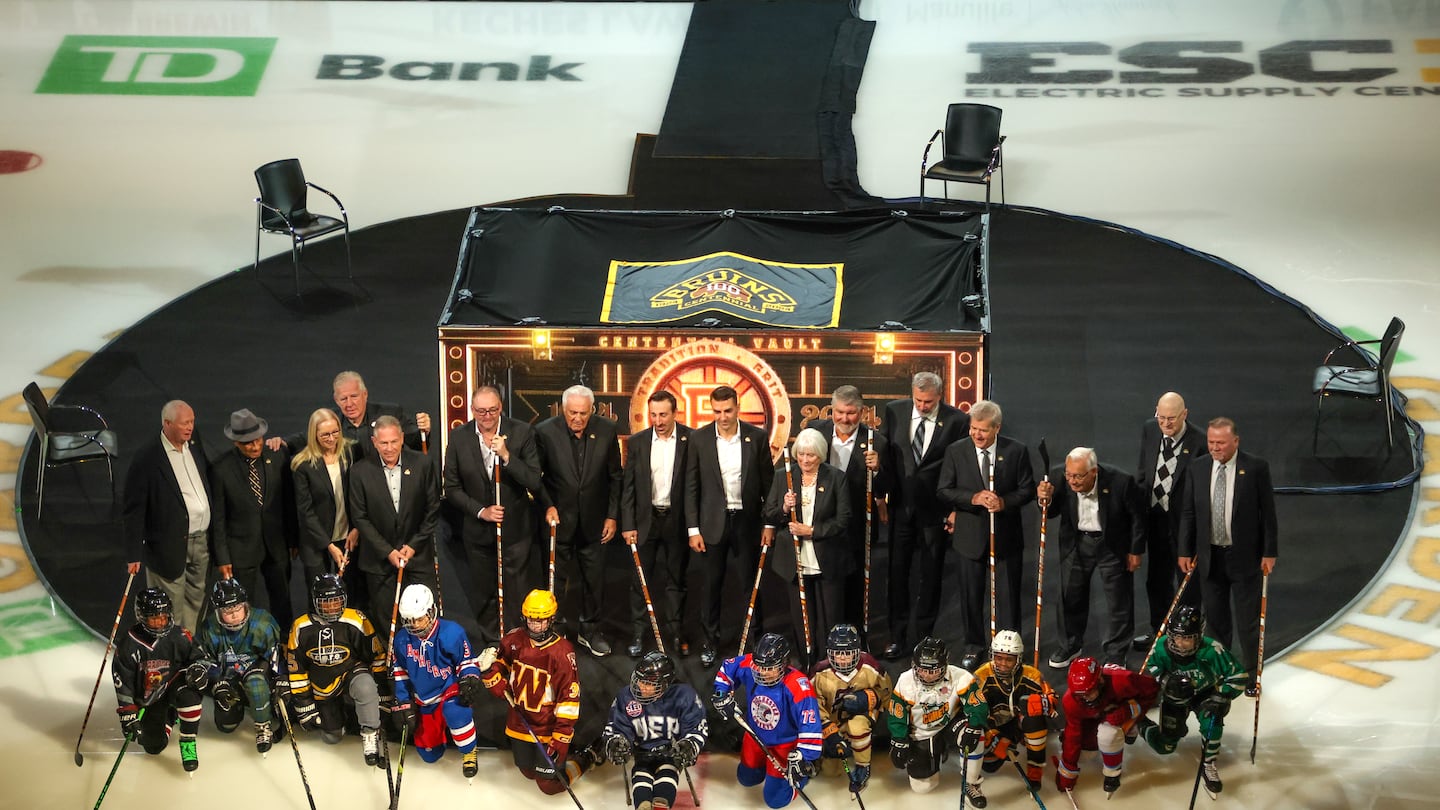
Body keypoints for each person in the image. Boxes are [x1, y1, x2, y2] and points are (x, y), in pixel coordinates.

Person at [1177, 417, 1278, 696]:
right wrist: (1185, 550)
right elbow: (1188, 512)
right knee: (1216, 622)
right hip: (1210, 557)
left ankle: (1250, 675)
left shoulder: (1256, 467)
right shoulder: (1197, 467)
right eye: (1211, 442)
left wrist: (1270, 551)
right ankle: (1220, 672)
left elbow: (1268, 514)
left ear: (1235, 441)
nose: (1215, 448)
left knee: (1248, 621)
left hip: (1245, 557)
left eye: (1220, 442)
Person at [936, 399, 1036, 670]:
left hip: (1006, 538)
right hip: (969, 538)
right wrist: (974, 497)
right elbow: (944, 490)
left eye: (983, 430)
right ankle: (973, 645)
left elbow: (1027, 490)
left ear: (997, 428)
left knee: (1008, 596)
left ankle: (1009, 647)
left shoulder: (1016, 451)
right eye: (973, 429)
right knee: (970, 595)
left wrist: (1003, 502)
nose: (976, 435)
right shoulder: (957, 451)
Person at [443, 385, 543, 643]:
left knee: (516, 591)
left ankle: (516, 641)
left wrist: (507, 456)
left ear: (501, 408)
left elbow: (533, 480)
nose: (487, 417)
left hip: (515, 531)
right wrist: (480, 511)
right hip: (477, 532)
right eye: (481, 411)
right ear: (472, 410)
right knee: (485, 592)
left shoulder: (522, 432)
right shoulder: (459, 437)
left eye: (492, 410)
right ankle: (492, 643)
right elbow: (452, 488)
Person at [881, 372, 968, 660]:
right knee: (897, 574)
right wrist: (881, 496)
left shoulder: (957, 421)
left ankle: (923, 640)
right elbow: (888, 458)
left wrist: (955, 508)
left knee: (930, 577)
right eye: (918, 400)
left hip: (935, 510)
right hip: (901, 509)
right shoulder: (895, 411)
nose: (922, 406)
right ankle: (897, 636)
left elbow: (959, 465)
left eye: (928, 401)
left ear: (940, 396)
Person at [534, 384, 624, 656]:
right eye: (573, 412)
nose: (578, 418)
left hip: (596, 522)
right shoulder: (545, 432)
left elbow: (615, 477)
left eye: (584, 413)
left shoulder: (607, 430)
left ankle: (590, 630)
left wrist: (611, 515)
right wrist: (548, 505)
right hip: (558, 522)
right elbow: (536, 478)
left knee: (595, 581)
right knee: (555, 579)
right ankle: (556, 629)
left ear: (592, 410)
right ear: (563, 410)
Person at [688, 384, 775, 666]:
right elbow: (691, 488)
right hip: (712, 524)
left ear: (737, 407)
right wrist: (693, 529)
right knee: (711, 587)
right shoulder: (699, 439)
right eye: (716, 411)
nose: (722, 416)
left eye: (727, 410)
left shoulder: (757, 437)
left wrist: (769, 523)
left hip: (747, 523)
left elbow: (769, 485)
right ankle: (710, 643)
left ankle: (757, 642)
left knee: (752, 584)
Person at [1037, 447, 1146, 668]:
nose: (1072, 481)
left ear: (1094, 471)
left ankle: (1116, 652)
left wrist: (1135, 550)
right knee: (1070, 595)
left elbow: (1138, 516)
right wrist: (1043, 499)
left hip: (1111, 544)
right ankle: (1070, 645)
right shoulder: (1058, 477)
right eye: (1069, 475)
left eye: (1078, 476)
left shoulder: (1121, 481)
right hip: (1077, 542)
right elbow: (1051, 511)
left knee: (1118, 600)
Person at [479, 589, 597, 794]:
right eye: (531, 619)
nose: (534, 625)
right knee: (527, 771)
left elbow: (569, 698)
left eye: (540, 620)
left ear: (551, 619)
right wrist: (492, 675)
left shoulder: (562, 652)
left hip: (547, 728)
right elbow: (501, 664)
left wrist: (561, 735)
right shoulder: (514, 638)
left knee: (549, 785)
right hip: (519, 722)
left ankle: (588, 757)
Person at [1137, 605, 1247, 798]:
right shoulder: (1161, 647)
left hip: (1204, 694)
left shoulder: (1213, 650)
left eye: (1187, 638)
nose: (1180, 643)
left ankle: (1208, 763)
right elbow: (1152, 665)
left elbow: (1239, 675)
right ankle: (1141, 724)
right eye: (1177, 637)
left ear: (1198, 636)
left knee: (1213, 724)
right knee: (1165, 747)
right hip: (1175, 697)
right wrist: (1165, 680)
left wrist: (1223, 695)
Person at [805, 385, 888, 636]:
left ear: (862, 412)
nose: (844, 418)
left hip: (855, 528)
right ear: (832, 410)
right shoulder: (814, 432)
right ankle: (821, 641)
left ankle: (853, 643)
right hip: (819, 525)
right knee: (820, 589)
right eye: (839, 412)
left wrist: (878, 470)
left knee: (854, 589)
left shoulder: (876, 441)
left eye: (851, 413)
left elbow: (886, 488)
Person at [763, 428, 852, 661]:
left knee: (830, 617)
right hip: (794, 561)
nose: (804, 460)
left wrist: (811, 531)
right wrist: (784, 507)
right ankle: (806, 663)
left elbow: (843, 519)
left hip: (827, 559)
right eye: (800, 454)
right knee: (802, 618)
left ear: (820, 455)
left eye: (810, 455)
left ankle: (829, 663)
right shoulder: (784, 476)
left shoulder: (836, 478)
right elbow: (769, 514)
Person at [123, 399, 212, 633]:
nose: (190, 427)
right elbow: (134, 508)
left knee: (196, 598)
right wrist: (133, 552)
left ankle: (188, 646)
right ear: (167, 423)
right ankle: (172, 651)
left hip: (200, 540)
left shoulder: (193, 443)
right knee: (171, 605)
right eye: (185, 423)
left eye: (192, 421)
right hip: (167, 545)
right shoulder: (148, 458)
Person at [620, 391, 696, 657]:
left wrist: (693, 527)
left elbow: (695, 486)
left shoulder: (691, 439)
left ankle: (677, 636)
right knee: (640, 582)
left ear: (675, 413)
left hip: (677, 521)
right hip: (645, 521)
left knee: (677, 581)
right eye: (653, 414)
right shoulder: (638, 441)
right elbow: (627, 486)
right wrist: (628, 524)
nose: (658, 420)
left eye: (663, 414)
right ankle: (639, 636)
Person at [350, 414, 441, 634]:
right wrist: (388, 551)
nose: (389, 448)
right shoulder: (359, 471)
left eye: (393, 441)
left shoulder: (423, 463)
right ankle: (396, 664)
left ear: (401, 438)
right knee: (386, 620)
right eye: (383, 443)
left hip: (417, 557)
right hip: (379, 563)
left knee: (424, 617)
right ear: (374, 442)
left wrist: (414, 545)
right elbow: (360, 517)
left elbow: (433, 509)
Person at [285, 573, 388, 767]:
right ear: (315, 602)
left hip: (350, 672)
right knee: (332, 737)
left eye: (336, 601)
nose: (332, 607)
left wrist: (382, 691)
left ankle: (370, 733)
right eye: (326, 603)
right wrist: (304, 702)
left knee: (366, 687)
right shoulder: (300, 626)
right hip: (321, 682)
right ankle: (342, 714)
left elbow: (376, 655)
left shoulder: (356, 619)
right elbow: (296, 669)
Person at [712, 633, 823, 809]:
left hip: (785, 745)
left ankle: (804, 775)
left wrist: (803, 756)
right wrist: (721, 693)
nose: (762, 672)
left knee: (775, 800)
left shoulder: (798, 685)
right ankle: (766, 769)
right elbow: (728, 668)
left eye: (770, 668)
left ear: (784, 664)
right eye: (759, 667)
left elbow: (810, 724)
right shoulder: (755, 663)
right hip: (755, 736)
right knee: (746, 778)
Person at [209, 408, 297, 630]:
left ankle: (285, 645)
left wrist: (293, 539)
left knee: (282, 600)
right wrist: (222, 557)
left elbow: (288, 503)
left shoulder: (278, 456)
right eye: (248, 443)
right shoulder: (221, 469)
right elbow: (218, 517)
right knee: (244, 603)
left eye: (258, 440)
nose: (256, 446)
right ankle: (249, 648)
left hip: (277, 545)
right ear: (236, 443)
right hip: (241, 549)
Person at [1134, 391, 1207, 649]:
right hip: (1155, 519)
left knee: (1187, 585)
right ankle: (1160, 633)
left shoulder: (1199, 441)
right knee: (1156, 580)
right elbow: (1144, 469)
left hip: (1184, 525)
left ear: (1185, 415)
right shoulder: (1150, 430)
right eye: (1161, 417)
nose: (1166, 424)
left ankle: (1188, 637)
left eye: (1172, 419)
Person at [391, 583, 485, 777]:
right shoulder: (401, 639)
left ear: (431, 611)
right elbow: (400, 672)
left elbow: (466, 661)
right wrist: (403, 702)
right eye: (409, 620)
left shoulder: (452, 632)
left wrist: (469, 678)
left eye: (419, 619)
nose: (415, 625)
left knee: (456, 711)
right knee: (430, 756)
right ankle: (438, 739)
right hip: (423, 698)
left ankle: (469, 752)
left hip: (448, 690)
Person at [960, 630, 1059, 807]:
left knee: (1035, 720)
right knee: (990, 765)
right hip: (995, 727)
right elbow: (971, 712)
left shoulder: (1031, 674)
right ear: (992, 656)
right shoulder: (981, 676)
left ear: (1018, 659)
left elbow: (1053, 699)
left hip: (1019, 723)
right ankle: (1005, 741)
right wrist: (994, 739)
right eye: (999, 658)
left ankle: (1035, 772)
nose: (1003, 664)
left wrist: (1040, 703)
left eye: (1009, 659)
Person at [601, 651, 709, 810]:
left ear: (665, 684)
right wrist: (616, 742)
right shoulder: (626, 696)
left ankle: (661, 804)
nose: (641, 687)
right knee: (641, 775)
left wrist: (689, 745)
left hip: (671, 753)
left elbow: (696, 726)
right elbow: (617, 726)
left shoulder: (684, 695)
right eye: (639, 681)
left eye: (649, 683)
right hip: (642, 752)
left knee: (667, 772)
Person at [112, 588, 204, 772]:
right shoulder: (128, 645)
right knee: (153, 747)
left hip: (173, 685)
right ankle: (170, 717)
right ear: (142, 617)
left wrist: (198, 668)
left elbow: (198, 657)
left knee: (190, 698)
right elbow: (123, 682)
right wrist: (128, 714)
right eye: (154, 618)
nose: (161, 622)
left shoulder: (179, 635)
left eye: (164, 616)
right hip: (149, 698)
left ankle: (188, 741)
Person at [191, 578, 284, 754]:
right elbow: (204, 660)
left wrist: (276, 679)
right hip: (229, 679)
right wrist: (218, 684)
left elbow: (275, 657)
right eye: (228, 610)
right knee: (226, 725)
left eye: (238, 608)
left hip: (256, 675)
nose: (234, 615)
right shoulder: (209, 628)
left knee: (255, 684)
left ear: (245, 605)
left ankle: (263, 724)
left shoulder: (262, 623)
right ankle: (240, 704)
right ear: (218, 611)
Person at [887, 636, 986, 796]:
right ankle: (935, 753)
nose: (927, 675)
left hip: (950, 724)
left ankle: (971, 783)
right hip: (920, 733)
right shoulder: (905, 680)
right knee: (923, 788)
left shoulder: (961, 676)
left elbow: (977, 705)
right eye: (922, 670)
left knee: (976, 733)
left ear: (944, 666)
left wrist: (974, 726)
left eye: (933, 671)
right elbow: (897, 714)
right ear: (915, 666)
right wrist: (899, 739)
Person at [270, 370, 432, 463]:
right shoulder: (332, 421)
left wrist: (424, 430)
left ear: (365, 394)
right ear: (336, 400)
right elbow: (305, 438)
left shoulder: (390, 413)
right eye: (343, 399)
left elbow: (416, 441)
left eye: (354, 396)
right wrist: (282, 442)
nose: (349, 404)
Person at [1055, 657, 1158, 796]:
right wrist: (1067, 771)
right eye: (1081, 695)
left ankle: (1113, 774)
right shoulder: (1071, 701)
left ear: (1100, 681)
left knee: (1108, 734)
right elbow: (1073, 735)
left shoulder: (1122, 681)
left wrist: (1129, 710)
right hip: (1097, 716)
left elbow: (1152, 689)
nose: (1085, 697)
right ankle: (1126, 730)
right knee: (1084, 755)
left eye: (1089, 692)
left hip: (1120, 710)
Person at [808, 623, 892, 793]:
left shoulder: (871, 667)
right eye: (838, 653)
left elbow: (887, 695)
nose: (843, 658)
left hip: (861, 715)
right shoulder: (818, 673)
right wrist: (828, 732)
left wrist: (868, 698)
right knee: (832, 772)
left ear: (857, 652)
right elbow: (811, 705)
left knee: (857, 727)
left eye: (848, 653)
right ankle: (827, 749)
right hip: (833, 719)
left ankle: (863, 766)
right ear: (829, 653)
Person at [291, 408, 359, 591]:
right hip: (316, 541)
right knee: (320, 595)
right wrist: (328, 545)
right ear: (314, 435)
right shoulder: (302, 465)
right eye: (325, 434)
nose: (331, 438)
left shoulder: (351, 452)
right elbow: (305, 512)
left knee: (350, 592)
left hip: (347, 538)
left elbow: (360, 494)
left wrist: (356, 528)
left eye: (335, 432)